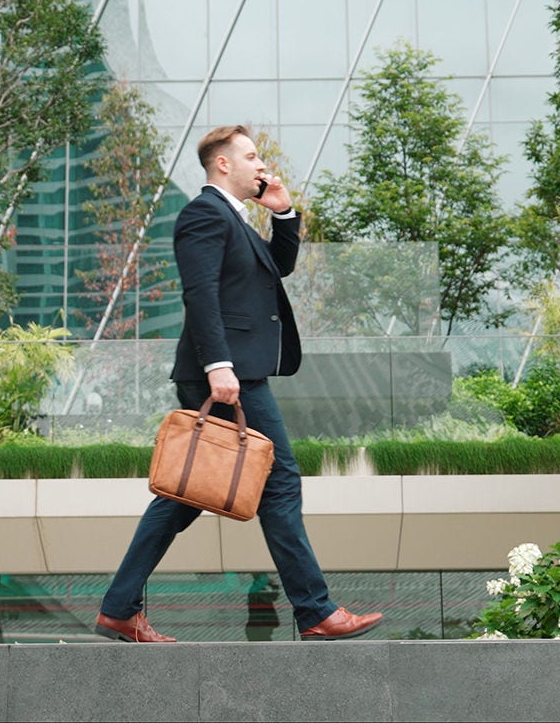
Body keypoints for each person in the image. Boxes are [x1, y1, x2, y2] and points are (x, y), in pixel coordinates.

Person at [95, 125, 384, 643]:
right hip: (226, 375)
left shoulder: (235, 219)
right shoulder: (204, 213)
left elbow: (279, 268)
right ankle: (315, 610)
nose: (261, 164)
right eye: (251, 156)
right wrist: (218, 365)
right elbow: (199, 293)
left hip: (232, 372)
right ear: (222, 164)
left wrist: (284, 215)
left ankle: (119, 608)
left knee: (184, 494)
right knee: (280, 481)